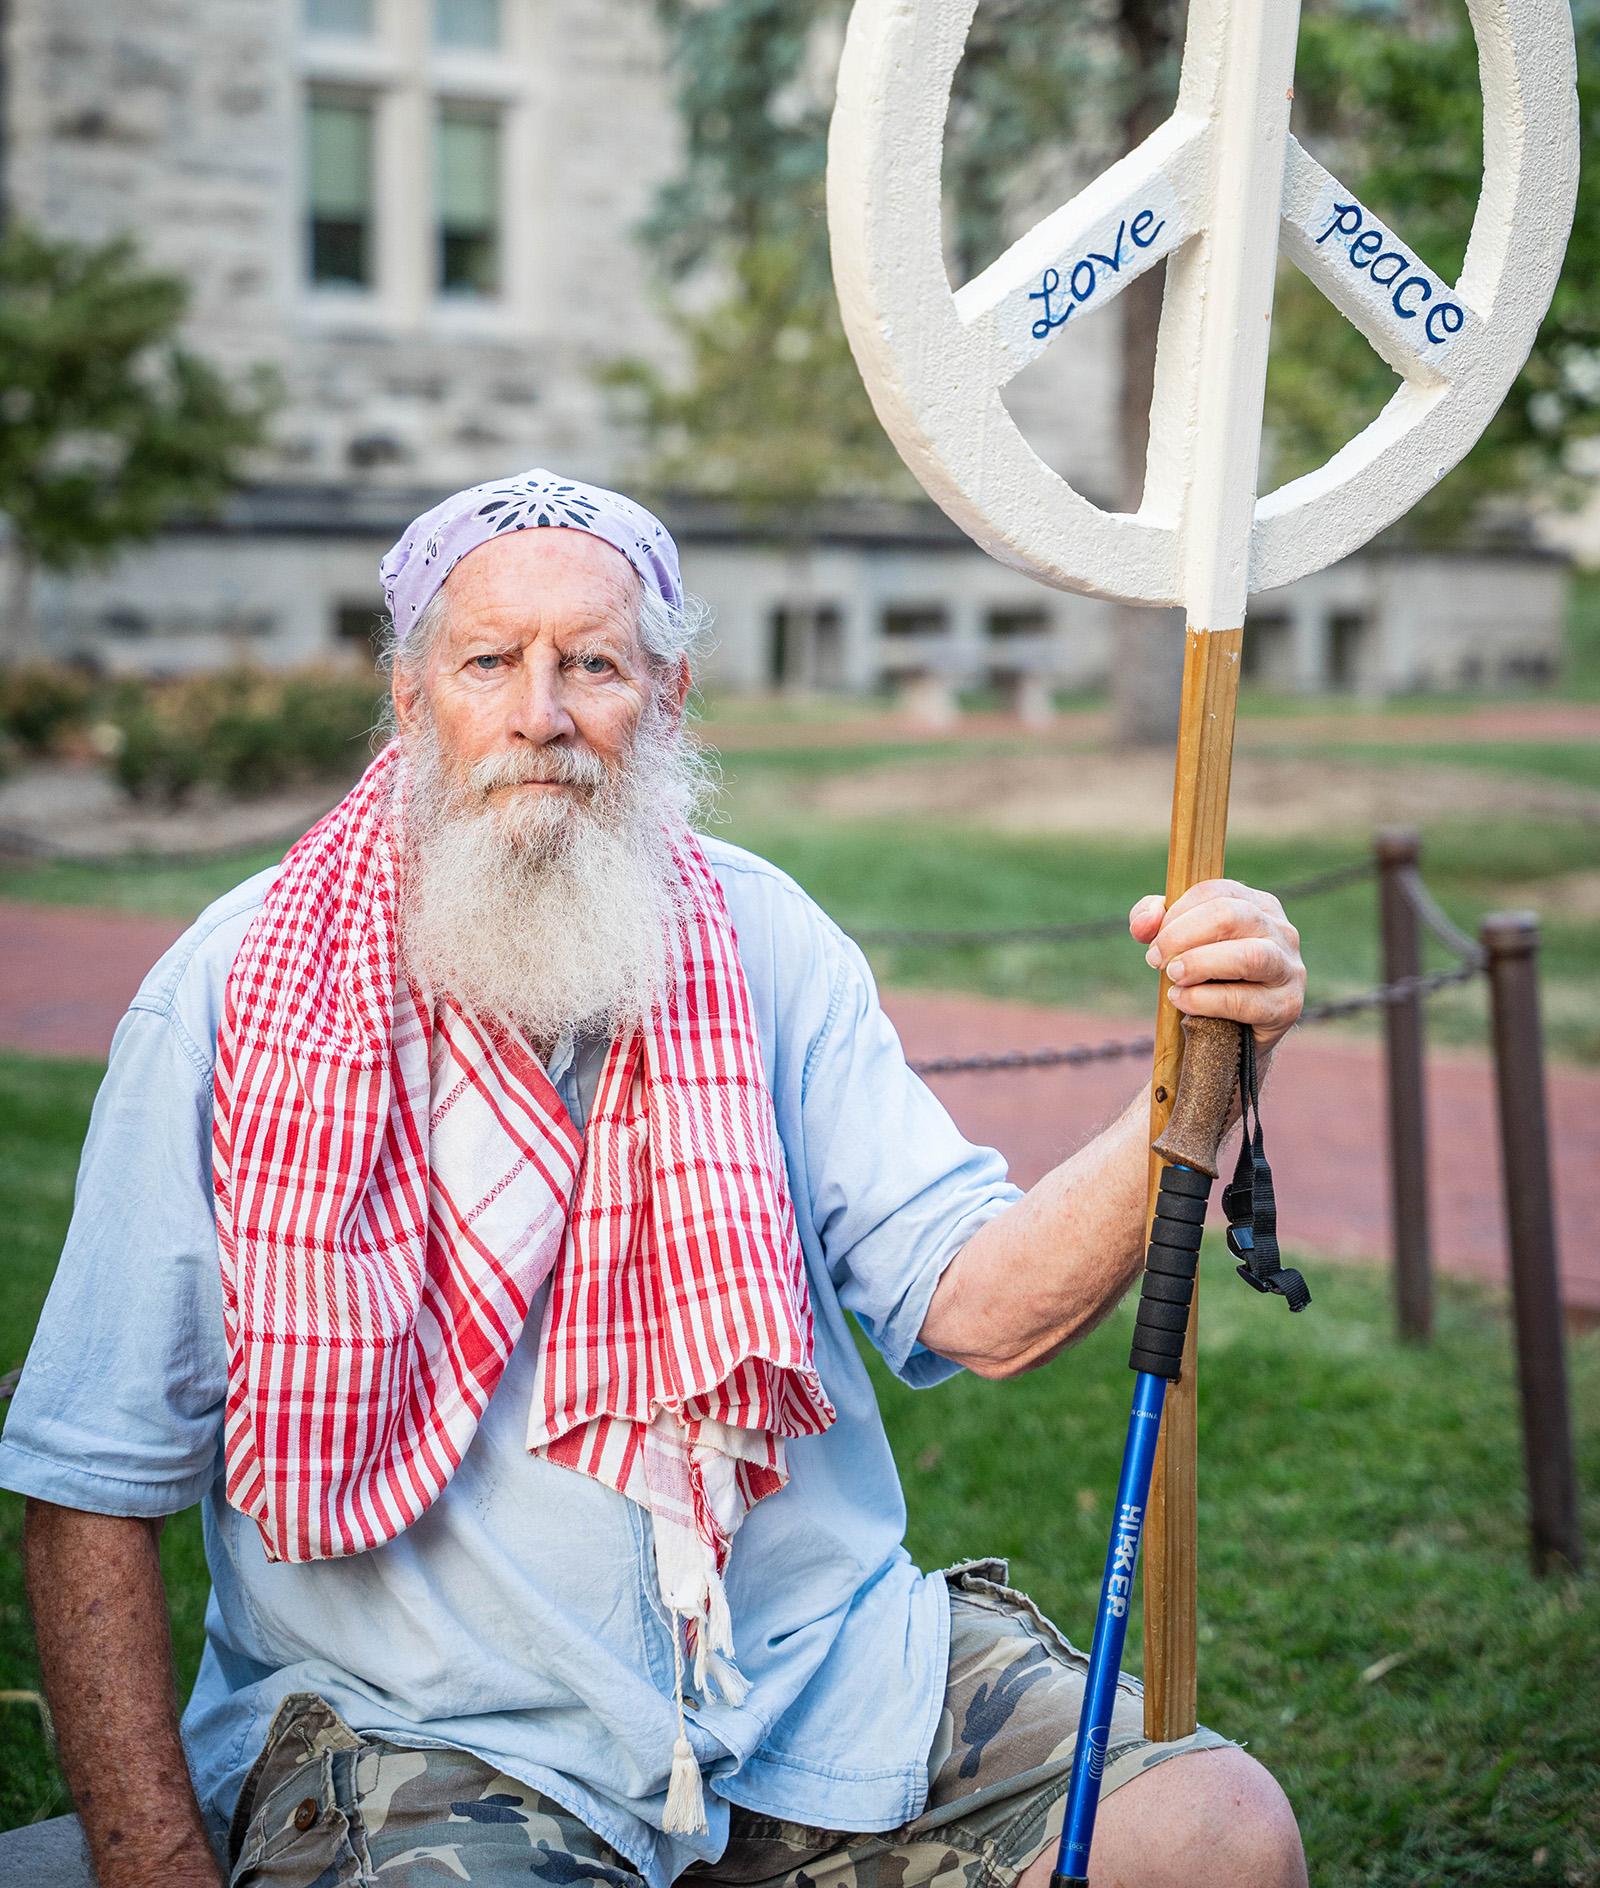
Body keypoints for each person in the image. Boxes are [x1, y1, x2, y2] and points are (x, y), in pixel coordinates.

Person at [0, 470, 1309, 1888]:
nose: (541, 714)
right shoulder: (231, 992)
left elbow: (982, 1306)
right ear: (409, 700)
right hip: (434, 1735)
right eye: (489, 661)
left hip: (815, 1688)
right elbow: (89, 1489)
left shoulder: (764, 940)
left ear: (668, 699)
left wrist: (1206, 1072)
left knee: (1218, 1838)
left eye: (596, 664)